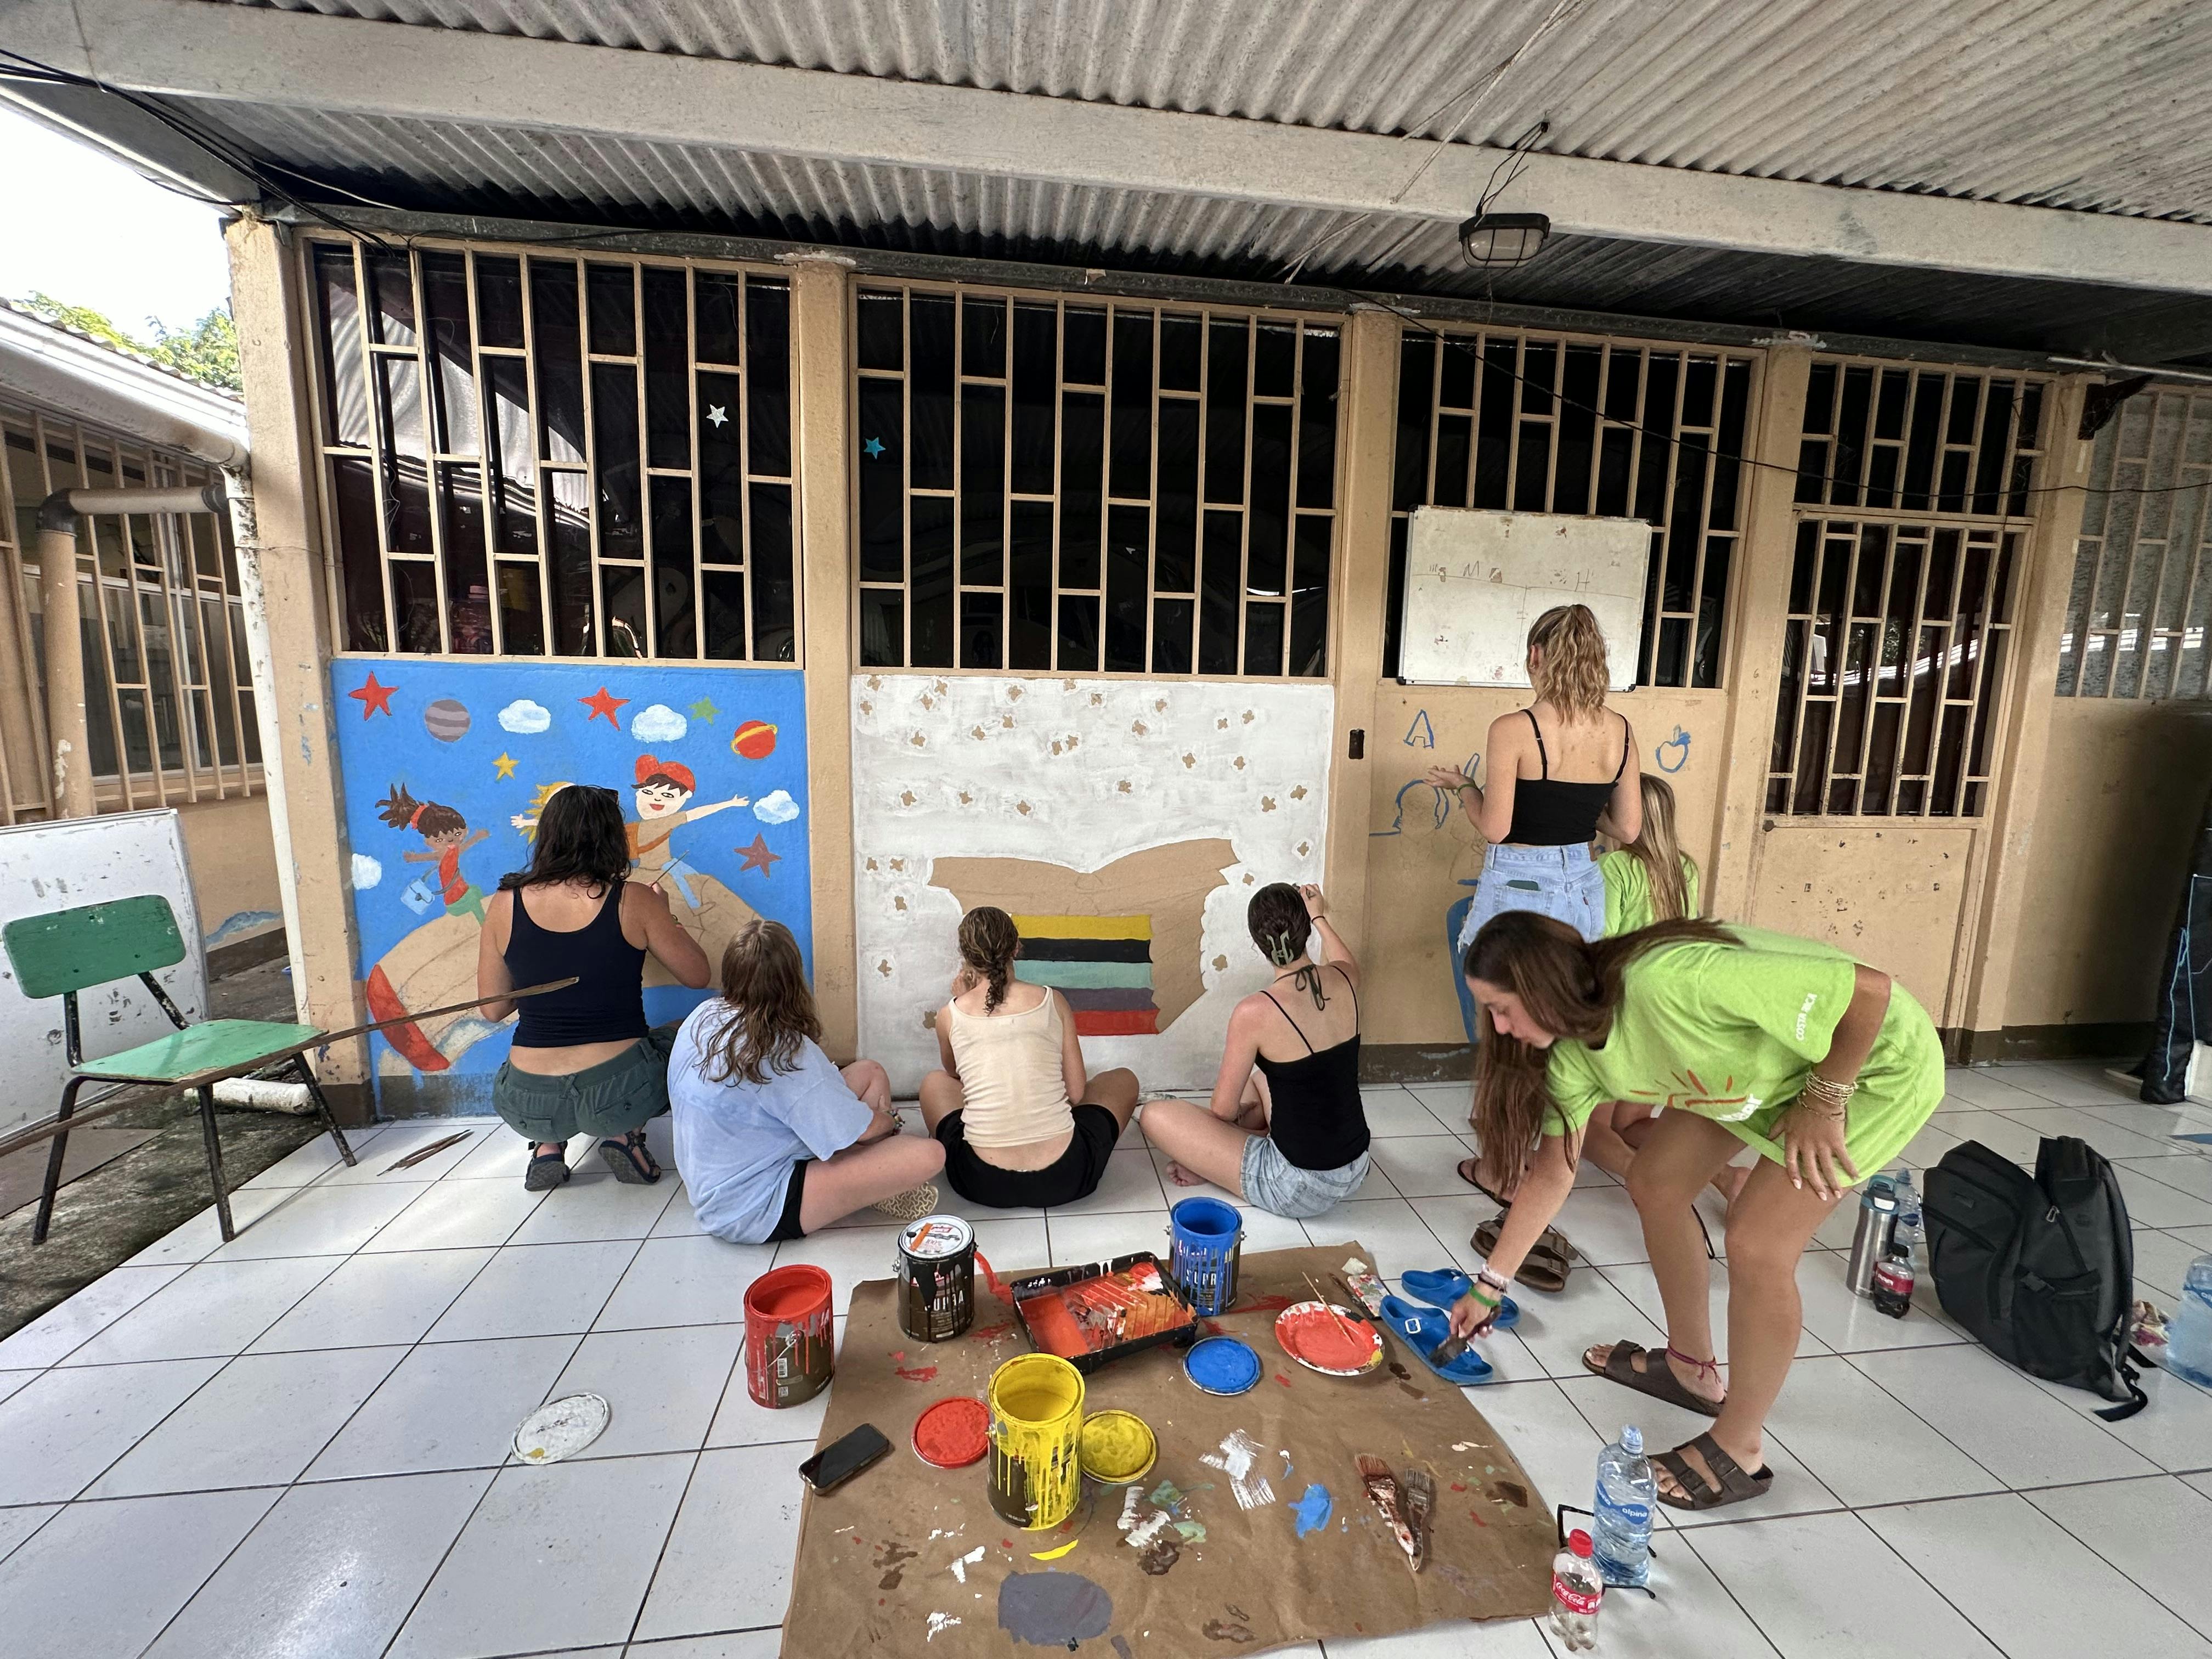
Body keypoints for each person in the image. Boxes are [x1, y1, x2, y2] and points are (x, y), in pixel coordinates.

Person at [1444, 911, 1944, 1513]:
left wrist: (1825, 1098)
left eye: (1503, 1009)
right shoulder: (1573, 1058)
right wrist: (1490, 1286)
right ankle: (1690, 1370)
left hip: (1868, 1068)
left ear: (1543, 985)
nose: (1499, 1029)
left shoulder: (1669, 982)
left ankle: (1740, 1448)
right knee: (1656, 1182)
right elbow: (1553, 1173)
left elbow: (1868, 990)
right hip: (1766, 1070)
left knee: (1757, 1242)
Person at [476, 784, 712, 1190]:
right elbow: (698, 976)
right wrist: (666, 918)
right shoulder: (633, 900)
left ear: (547, 836)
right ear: (612, 837)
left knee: (537, 1072)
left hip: (526, 1101)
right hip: (618, 1094)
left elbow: (493, 1009)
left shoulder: (504, 902)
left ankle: (547, 1146)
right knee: (688, 1033)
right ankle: (624, 1136)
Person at [1425, 603, 1640, 1045]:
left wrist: (1466, 787)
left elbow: (1496, 828)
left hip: (1520, 879)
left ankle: (1504, 1097)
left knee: (1497, 993)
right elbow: (1628, 829)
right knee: (1562, 995)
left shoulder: (1514, 728)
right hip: (1582, 880)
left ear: (1536, 656)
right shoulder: (1620, 729)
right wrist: (1578, 808)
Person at [668, 917, 943, 1243]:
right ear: (793, 980)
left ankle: (862, 1174)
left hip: (717, 1179)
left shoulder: (703, 1016)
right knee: (929, 1155)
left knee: (869, 1071)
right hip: (752, 1208)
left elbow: (797, 1093)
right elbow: (868, 1126)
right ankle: (868, 1180)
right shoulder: (784, 1049)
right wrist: (890, 1121)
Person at [1139, 883, 1369, 1220]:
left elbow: (1221, 1111)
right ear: (1305, 929)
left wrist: (1211, 1139)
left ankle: (1217, 1162)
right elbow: (1343, 958)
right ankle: (1229, 1154)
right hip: (1355, 1165)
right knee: (1262, 1079)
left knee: (1154, 1115)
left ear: (1257, 942)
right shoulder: (1344, 978)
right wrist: (1319, 914)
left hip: (1297, 1186)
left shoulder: (1255, 1011)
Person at [918, 908, 1142, 1209]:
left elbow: (953, 1073)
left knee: (934, 1082)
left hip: (980, 1182)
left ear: (966, 957)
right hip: (1067, 1177)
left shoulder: (950, 1014)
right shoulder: (1053, 1000)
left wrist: (965, 999)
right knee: (1122, 1079)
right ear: (1016, 947)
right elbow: (1076, 1094)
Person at [379, 783, 490, 923]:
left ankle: (483, 924)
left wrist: (413, 858)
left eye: (457, 833)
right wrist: (477, 837)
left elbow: (457, 850)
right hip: (457, 898)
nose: (451, 840)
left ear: (465, 830)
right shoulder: (447, 852)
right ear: (428, 842)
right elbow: (452, 851)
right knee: (474, 897)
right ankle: (484, 924)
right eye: (440, 839)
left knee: (475, 891)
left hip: (456, 896)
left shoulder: (449, 852)